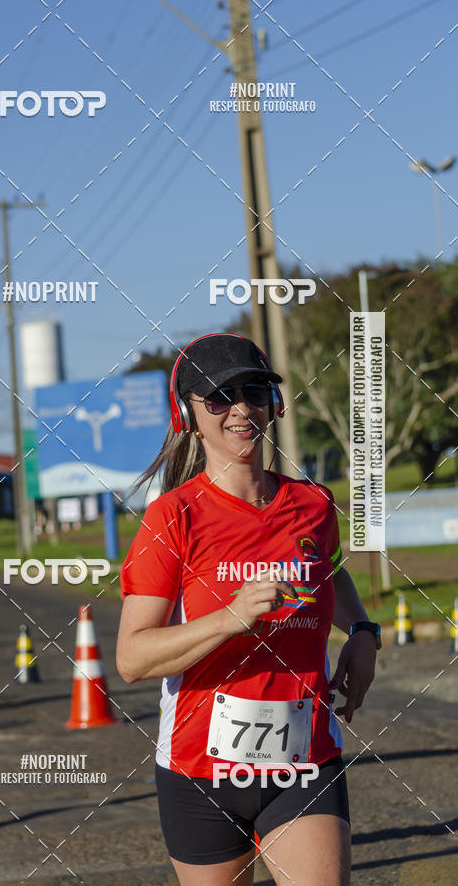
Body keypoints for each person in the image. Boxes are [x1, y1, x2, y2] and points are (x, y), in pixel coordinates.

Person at [117, 333, 380, 886]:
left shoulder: (313, 505)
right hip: (199, 772)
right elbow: (133, 658)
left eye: (254, 391)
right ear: (188, 414)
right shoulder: (172, 518)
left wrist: (361, 628)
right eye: (218, 396)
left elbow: (328, 570)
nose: (240, 408)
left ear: (274, 405)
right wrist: (230, 618)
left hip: (304, 759)